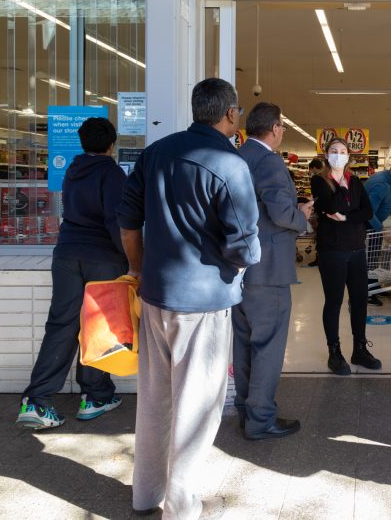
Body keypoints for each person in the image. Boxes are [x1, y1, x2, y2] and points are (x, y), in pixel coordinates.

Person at [116, 78, 260, 519]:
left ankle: (145, 494)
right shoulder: (230, 163)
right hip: (205, 303)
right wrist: (240, 265)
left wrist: (138, 270)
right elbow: (245, 245)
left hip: (156, 297)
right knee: (197, 405)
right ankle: (181, 504)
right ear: (231, 115)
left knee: (156, 399)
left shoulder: (155, 152)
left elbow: (127, 223)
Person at [16, 117, 126, 429]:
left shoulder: (73, 171)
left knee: (62, 324)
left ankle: (36, 401)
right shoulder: (111, 173)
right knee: (99, 327)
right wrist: (132, 259)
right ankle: (94, 396)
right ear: (111, 144)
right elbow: (115, 222)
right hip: (102, 257)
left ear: (81, 142)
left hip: (66, 254)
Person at [233, 102, 314, 440]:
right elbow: (281, 213)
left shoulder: (237, 157)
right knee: (267, 345)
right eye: (282, 125)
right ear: (276, 128)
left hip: (238, 268)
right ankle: (261, 419)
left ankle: (245, 409)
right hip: (268, 270)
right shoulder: (269, 161)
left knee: (243, 343)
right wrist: (302, 218)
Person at [311, 137, 380, 375]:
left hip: (357, 250)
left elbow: (368, 211)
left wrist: (347, 217)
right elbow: (331, 207)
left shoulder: (357, 182)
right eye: (333, 151)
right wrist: (340, 188)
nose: (338, 155)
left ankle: (359, 348)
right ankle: (334, 352)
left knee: (360, 300)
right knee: (334, 302)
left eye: (342, 151)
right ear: (326, 155)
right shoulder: (319, 182)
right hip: (332, 251)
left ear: (349, 156)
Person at [364, 160, 391, 306]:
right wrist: (382, 231)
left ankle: (374, 287)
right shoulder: (381, 184)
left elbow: (382, 201)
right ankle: (368, 292)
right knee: (370, 259)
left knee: (374, 258)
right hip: (368, 226)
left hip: (373, 225)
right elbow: (369, 212)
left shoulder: (385, 179)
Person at [306, 158, 325, 266]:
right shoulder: (327, 176)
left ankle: (318, 258)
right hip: (329, 210)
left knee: (319, 234)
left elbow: (315, 195)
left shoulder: (315, 178)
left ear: (313, 168)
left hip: (320, 209)